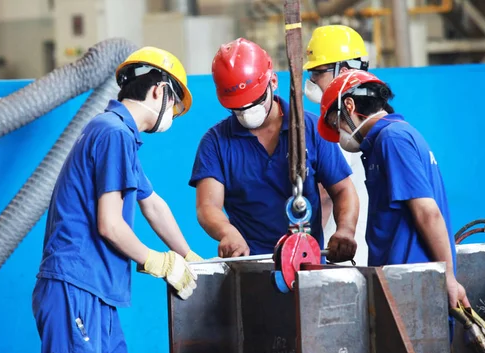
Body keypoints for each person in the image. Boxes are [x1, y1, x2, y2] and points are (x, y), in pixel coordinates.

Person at [31, 46, 203, 353]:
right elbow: (110, 224)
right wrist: (157, 261)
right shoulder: (113, 134)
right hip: (75, 291)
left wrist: (187, 255)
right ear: (159, 91)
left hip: (98, 297)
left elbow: (152, 205)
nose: (171, 114)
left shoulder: (117, 133)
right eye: (173, 105)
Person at [189, 38, 359, 263]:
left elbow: (343, 190)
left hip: (306, 264)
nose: (248, 113)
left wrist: (345, 230)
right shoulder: (216, 143)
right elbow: (207, 206)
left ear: (273, 81)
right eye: (238, 108)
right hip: (249, 265)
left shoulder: (310, 130)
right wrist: (226, 232)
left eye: (255, 101)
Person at [316, 69, 470, 310]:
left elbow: (427, 213)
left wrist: (448, 277)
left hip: (415, 287)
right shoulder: (383, 141)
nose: (339, 133)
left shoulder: (393, 139)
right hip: (401, 285)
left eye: (336, 122)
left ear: (349, 104)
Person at [304, 24, 371, 266]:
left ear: (342, 70)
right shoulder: (364, 117)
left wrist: (302, 251)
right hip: (358, 251)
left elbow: (324, 197)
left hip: (341, 254)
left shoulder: (342, 126)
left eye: (317, 73)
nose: (311, 82)